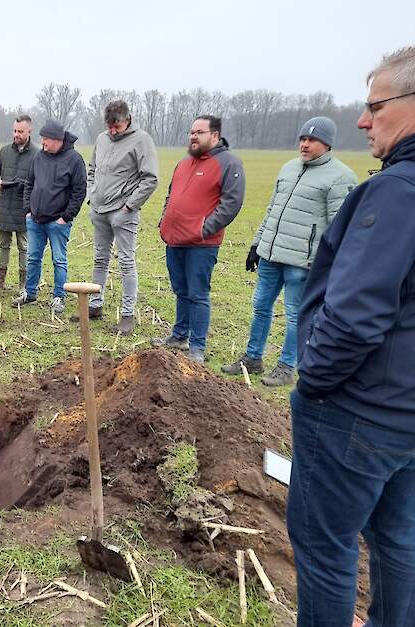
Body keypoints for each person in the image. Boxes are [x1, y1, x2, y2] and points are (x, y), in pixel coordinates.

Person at [287, 46, 415, 627]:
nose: (362, 121)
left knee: (325, 545)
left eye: (374, 106)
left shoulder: (396, 193)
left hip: (359, 408)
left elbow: (355, 313)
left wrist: (314, 379)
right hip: (406, 410)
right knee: (398, 537)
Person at [222, 117, 356, 385]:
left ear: (327, 144)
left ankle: (286, 366)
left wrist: (324, 263)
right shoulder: (288, 168)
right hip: (271, 255)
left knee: (296, 314)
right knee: (260, 306)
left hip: (302, 262)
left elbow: (340, 227)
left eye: (312, 140)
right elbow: (272, 210)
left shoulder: (341, 177)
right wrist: (257, 244)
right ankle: (253, 357)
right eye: (303, 139)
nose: (305, 144)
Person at [154, 115, 245, 363]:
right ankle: (179, 335)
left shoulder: (228, 164)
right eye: (191, 132)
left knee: (198, 293)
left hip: (201, 245)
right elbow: (171, 195)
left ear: (214, 136)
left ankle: (197, 347)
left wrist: (204, 229)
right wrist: (165, 220)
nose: (193, 136)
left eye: (200, 132)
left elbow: (231, 204)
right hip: (174, 240)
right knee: (180, 290)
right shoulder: (184, 163)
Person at [84, 101, 159, 334]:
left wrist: (128, 207)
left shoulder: (142, 140)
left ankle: (127, 314)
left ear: (128, 120)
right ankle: (95, 305)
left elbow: (150, 179)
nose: (112, 131)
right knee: (100, 259)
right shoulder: (101, 139)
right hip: (99, 210)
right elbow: (92, 169)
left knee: (126, 262)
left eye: (116, 126)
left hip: (123, 213)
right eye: (109, 126)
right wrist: (91, 197)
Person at [11, 120, 87, 315]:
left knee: (59, 260)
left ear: (58, 140)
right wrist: (28, 210)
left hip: (58, 222)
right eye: (42, 140)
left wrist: (66, 216)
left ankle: (58, 296)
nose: (43, 143)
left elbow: (79, 191)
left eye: (46, 140)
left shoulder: (75, 160)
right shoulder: (39, 157)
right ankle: (30, 293)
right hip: (35, 219)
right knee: (33, 257)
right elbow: (29, 183)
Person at [0, 115, 37, 294]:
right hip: (4, 206)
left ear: (29, 131)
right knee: (3, 244)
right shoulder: (5, 151)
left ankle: (24, 285)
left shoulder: (37, 154)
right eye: (14, 130)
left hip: (24, 208)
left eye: (20, 131)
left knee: (24, 246)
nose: (16, 134)